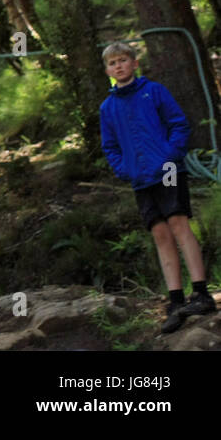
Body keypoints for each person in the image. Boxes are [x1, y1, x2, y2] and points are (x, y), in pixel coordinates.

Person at [100, 41, 216, 333]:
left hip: (166, 170)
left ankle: (201, 293)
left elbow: (179, 124)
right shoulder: (108, 107)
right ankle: (176, 300)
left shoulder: (155, 91)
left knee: (178, 224)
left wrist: (169, 156)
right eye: (112, 63)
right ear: (107, 70)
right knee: (160, 233)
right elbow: (110, 146)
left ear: (134, 63)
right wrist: (124, 169)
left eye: (123, 60)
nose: (119, 66)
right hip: (140, 178)